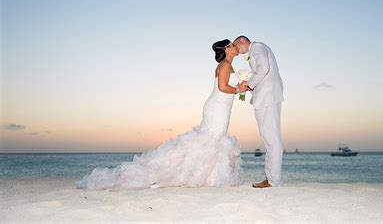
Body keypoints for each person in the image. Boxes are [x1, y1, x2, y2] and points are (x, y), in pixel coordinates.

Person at [76, 39, 248, 190]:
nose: (234, 45)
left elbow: (229, 87)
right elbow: (222, 87)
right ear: (226, 49)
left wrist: (242, 87)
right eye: (232, 44)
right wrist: (238, 88)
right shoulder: (225, 65)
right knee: (212, 137)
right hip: (217, 107)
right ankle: (204, 177)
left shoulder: (230, 65)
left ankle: (212, 176)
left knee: (216, 138)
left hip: (222, 107)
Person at [233, 35, 284, 188]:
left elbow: (263, 68)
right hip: (267, 96)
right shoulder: (256, 49)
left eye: (236, 46)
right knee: (270, 138)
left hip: (267, 97)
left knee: (271, 139)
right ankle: (271, 178)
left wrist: (249, 84)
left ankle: (273, 181)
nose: (237, 51)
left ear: (241, 41)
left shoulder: (257, 47)